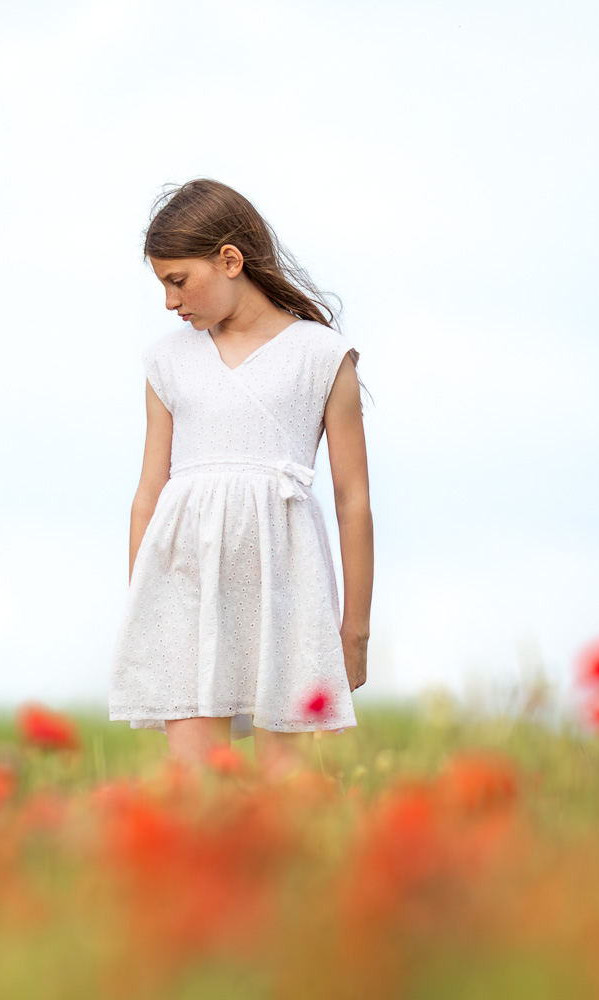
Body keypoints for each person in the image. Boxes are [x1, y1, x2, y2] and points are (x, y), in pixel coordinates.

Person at [108, 178, 373, 781]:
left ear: (230, 260)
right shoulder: (167, 361)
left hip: (287, 585)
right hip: (183, 589)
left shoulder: (321, 355)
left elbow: (353, 501)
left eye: (178, 280)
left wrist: (353, 630)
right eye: (163, 285)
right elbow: (149, 493)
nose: (171, 303)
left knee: (289, 786)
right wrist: (140, 607)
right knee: (198, 790)